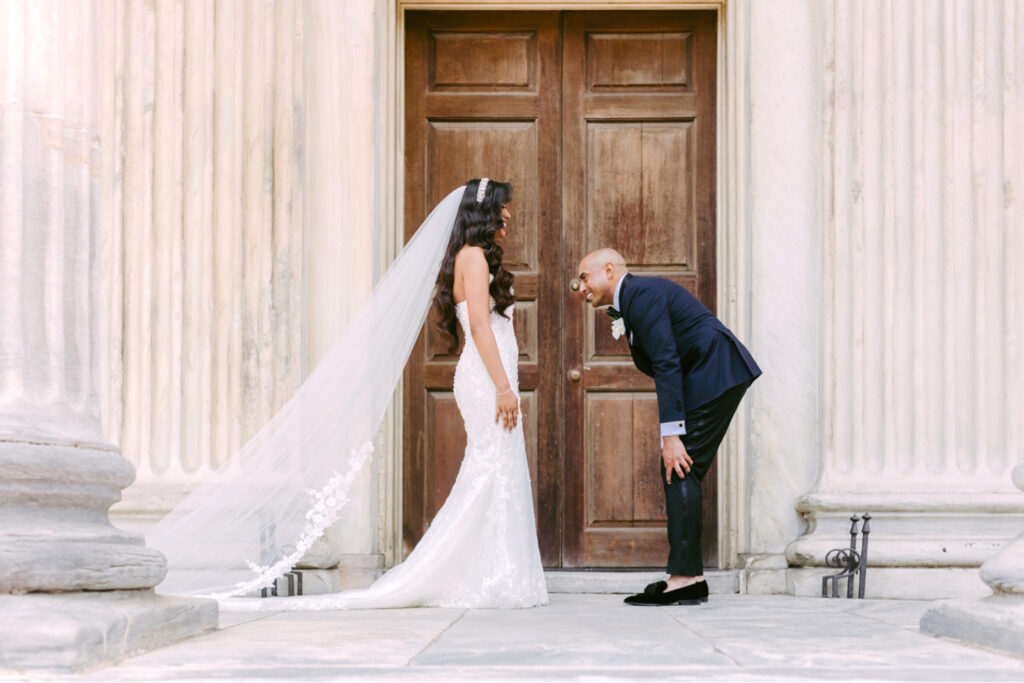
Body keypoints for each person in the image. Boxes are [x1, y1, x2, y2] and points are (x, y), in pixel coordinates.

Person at [214, 179, 548, 611]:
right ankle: (473, 573)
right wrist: (503, 388)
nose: (509, 214)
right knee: (489, 469)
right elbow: (481, 327)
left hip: (490, 378)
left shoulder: (473, 257)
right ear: (486, 212)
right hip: (487, 382)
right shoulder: (475, 257)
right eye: (504, 207)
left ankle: (495, 570)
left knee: (494, 469)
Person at [577, 248, 762, 606]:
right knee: (681, 471)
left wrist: (672, 435)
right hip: (710, 376)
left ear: (609, 270)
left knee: (678, 467)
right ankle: (688, 577)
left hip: (715, 373)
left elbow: (666, 363)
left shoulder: (640, 295)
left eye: (584, 277)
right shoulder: (634, 298)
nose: (579, 287)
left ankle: (684, 580)